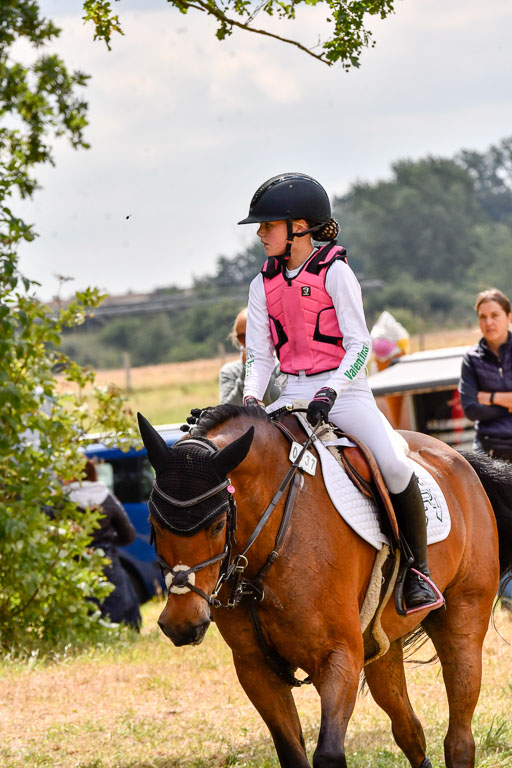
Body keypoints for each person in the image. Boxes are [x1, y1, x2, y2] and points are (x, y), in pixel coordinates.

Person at [238, 172, 443, 612]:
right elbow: (258, 354)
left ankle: (417, 571)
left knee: (391, 462)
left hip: (344, 391)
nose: (259, 234)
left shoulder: (336, 273)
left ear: (300, 227)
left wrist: (331, 390)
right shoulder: (261, 284)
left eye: (267, 226)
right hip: (289, 392)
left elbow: (360, 344)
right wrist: (253, 398)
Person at [459, 288, 512, 611]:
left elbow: (478, 402)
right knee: (497, 526)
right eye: (483, 317)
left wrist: (486, 397)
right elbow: (469, 408)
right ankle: (506, 596)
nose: (488, 322)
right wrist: (504, 399)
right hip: (490, 452)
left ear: (508, 317)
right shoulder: (471, 360)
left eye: (495, 315)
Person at [66, 458, 142, 629]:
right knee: (119, 603)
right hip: (106, 558)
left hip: (74, 561)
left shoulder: (63, 501)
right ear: (92, 472)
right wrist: (108, 542)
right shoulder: (105, 496)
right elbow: (128, 534)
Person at [219, 306, 281, 406]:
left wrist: (262, 367)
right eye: (242, 337)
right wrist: (247, 370)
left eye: (253, 335)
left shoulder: (283, 367)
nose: (249, 341)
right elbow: (227, 412)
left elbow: (279, 404)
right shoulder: (229, 372)